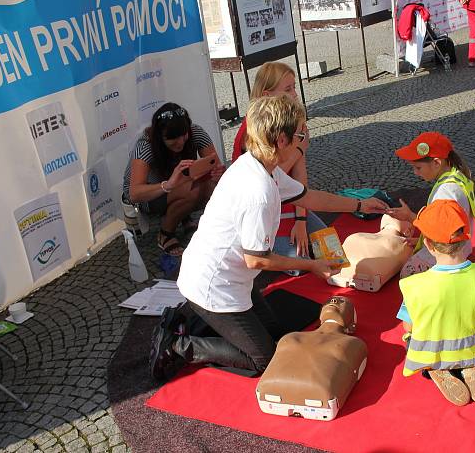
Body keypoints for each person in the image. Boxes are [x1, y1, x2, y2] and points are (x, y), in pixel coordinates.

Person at [149, 95, 388, 381]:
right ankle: (179, 345)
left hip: (229, 278)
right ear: (282, 140)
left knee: (276, 333)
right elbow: (255, 260)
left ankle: (197, 322)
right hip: (213, 286)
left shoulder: (261, 165)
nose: (305, 139)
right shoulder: (259, 191)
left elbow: (308, 197)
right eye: (301, 133)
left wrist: (360, 205)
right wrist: (313, 265)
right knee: (264, 361)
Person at [399, 200, 475, 406]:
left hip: (432, 353)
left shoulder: (415, 286)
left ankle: (437, 369)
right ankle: (467, 364)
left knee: (409, 335)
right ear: (466, 238)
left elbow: (408, 324)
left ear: (428, 244)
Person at [232, 62, 325, 276]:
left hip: (290, 204)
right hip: (267, 210)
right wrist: (299, 150)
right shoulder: (252, 133)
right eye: (288, 89)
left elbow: (299, 177)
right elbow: (271, 178)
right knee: (299, 265)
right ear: (267, 94)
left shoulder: (293, 122)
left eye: (294, 87)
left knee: (330, 248)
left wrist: (301, 220)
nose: (295, 94)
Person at [123, 102, 225, 256]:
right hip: (149, 193)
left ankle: (184, 217)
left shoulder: (196, 132)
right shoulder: (146, 145)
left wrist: (217, 173)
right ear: (159, 136)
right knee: (191, 190)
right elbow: (134, 193)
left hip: (179, 185)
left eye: (184, 135)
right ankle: (165, 234)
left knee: (211, 185)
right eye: (172, 139)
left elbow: (214, 164)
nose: (180, 142)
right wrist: (168, 185)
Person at [389, 132, 475, 277]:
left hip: (449, 252)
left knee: (406, 274)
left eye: (418, 168)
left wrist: (410, 216)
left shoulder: (445, 192)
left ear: (437, 163)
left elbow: (441, 229)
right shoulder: (458, 175)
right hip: (462, 246)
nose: (415, 173)